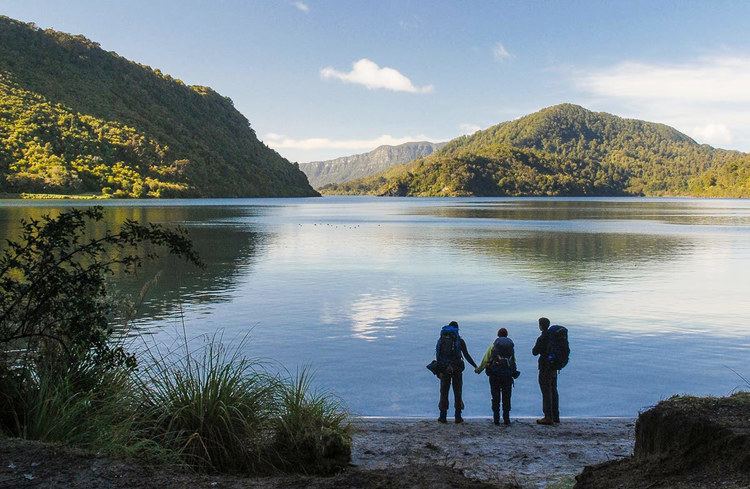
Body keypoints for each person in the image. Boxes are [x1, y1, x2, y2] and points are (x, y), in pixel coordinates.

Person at [435, 321, 477, 424]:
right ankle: (458, 417)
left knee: (444, 392)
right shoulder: (460, 341)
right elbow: (466, 355)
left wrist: (439, 371)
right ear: (457, 330)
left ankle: (443, 417)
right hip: (457, 369)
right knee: (457, 392)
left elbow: (438, 355)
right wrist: (475, 366)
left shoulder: (441, 340)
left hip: (445, 369)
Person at [475, 328, 518, 425]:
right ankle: (506, 419)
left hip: (494, 375)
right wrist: (513, 372)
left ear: (498, 335)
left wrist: (479, 370)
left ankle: (496, 419)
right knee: (507, 397)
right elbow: (513, 361)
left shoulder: (493, 346)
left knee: (495, 396)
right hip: (507, 375)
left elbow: (486, 360)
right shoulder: (510, 348)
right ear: (506, 335)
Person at [532, 317, 559, 425]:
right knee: (554, 390)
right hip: (553, 367)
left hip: (544, 367)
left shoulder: (542, 337)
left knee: (546, 391)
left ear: (540, 326)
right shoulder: (554, 337)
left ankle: (548, 417)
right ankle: (556, 415)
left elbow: (534, 352)